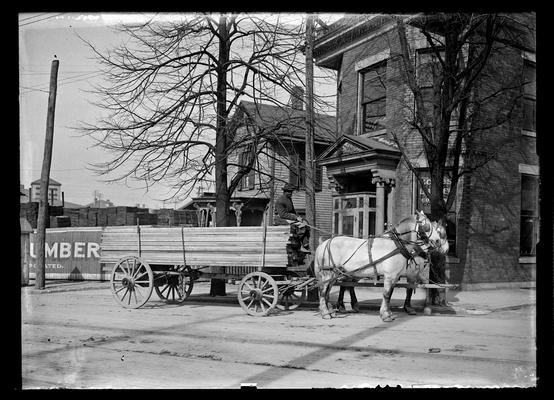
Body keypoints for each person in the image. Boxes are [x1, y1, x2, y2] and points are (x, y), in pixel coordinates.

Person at [274, 183, 311, 253]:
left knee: (305, 224)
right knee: (298, 227)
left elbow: (293, 211)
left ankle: (305, 244)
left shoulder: (289, 200)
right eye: (288, 191)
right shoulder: (280, 201)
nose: (290, 193)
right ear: (284, 192)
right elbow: (282, 214)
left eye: (291, 192)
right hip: (280, 219)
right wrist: (295, 218)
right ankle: (299, 245)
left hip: (288, 218)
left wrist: (300, 218)